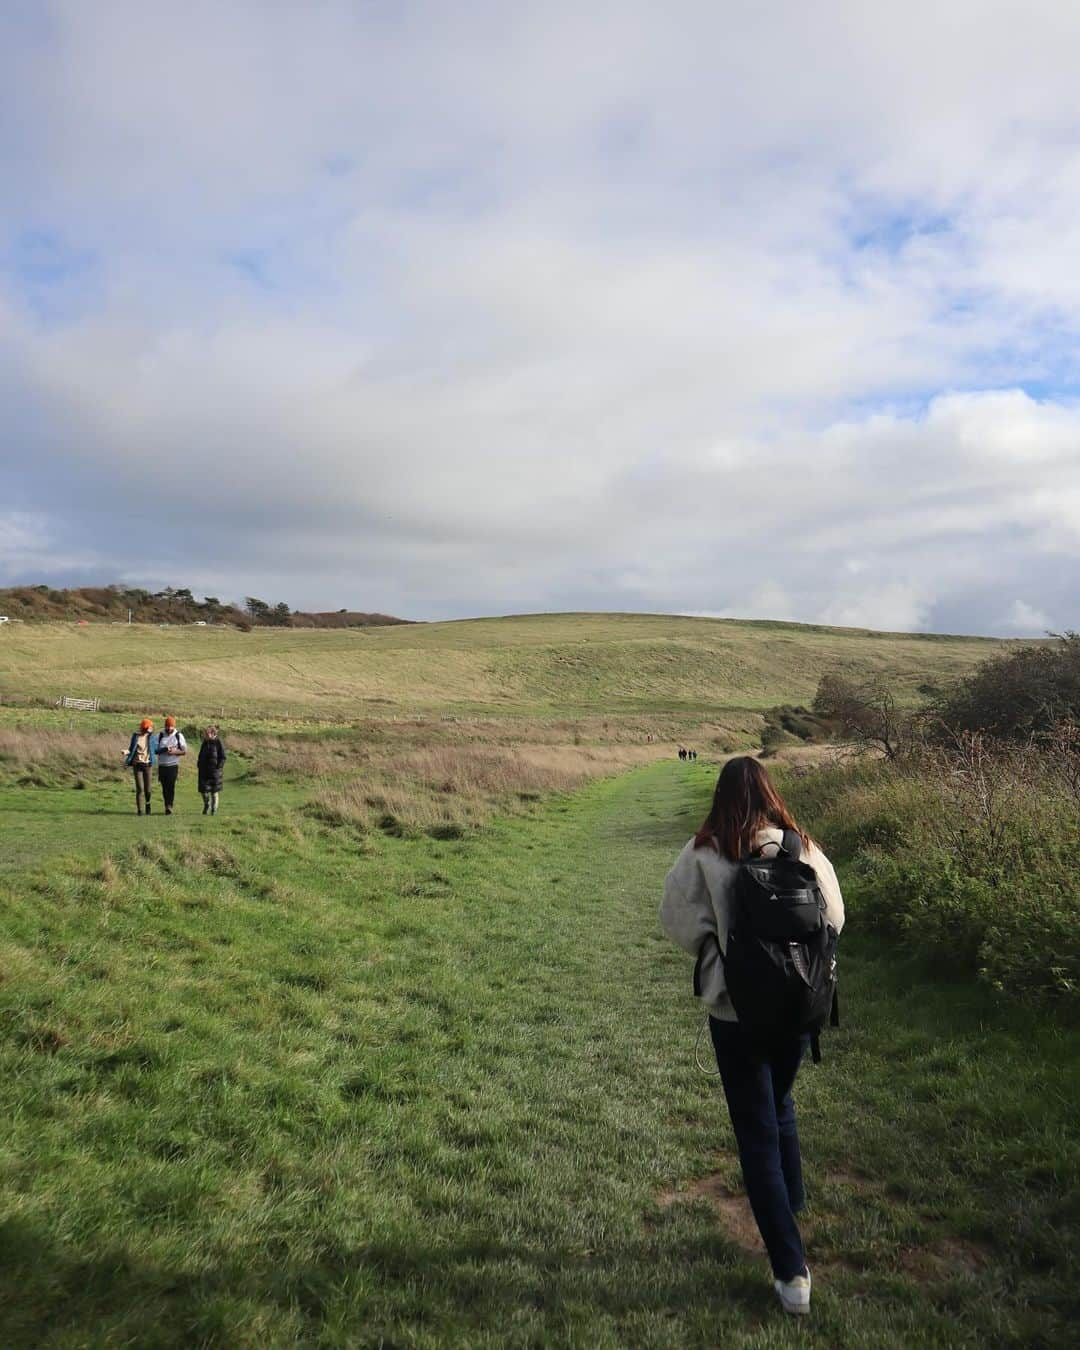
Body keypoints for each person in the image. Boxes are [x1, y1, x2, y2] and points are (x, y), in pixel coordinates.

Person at [659, 756, 844, 1317]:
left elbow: (674, 918)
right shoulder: (800, 846)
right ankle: (793, 1200)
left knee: (756, 1132)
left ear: (720, 795)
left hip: (736, 1013)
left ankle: (791, 1273)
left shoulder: (705, 850)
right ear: (769, 792)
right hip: (798, 1009)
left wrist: (719, 952)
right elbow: (833, 916)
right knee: (780, 1099)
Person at [124, 718, 158, 815]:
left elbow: (156, 749)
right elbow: (131, 749)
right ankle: (140, 810)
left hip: (148, 765)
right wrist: (126, 752)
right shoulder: (136, 736)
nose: (148, 730)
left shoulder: (152, 737)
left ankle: (148, 803)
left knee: (148, 789)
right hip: (137, 765)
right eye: (146, 728)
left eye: (149, 728)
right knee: (140, 788)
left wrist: (167, 749)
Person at [155, 715, 187, 815]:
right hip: (162, 766)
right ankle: (166, 805)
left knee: (171, 786)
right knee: (164, 787)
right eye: (167, 726)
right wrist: (165, 749)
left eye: (171, 727)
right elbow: (155, 750)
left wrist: (174, 752)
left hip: (173, 765)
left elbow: (184, 751)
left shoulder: (179, 735)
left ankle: (169, 806)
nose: (169, 729)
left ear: (174, 726)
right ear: (165, 726)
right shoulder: (159, 735)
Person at [197, 725, 227, 815]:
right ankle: (207, 805)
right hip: (204, 771)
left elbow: (223, 757)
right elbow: (200, 755)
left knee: (214, 792)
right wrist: (199, 764)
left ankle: (214, 810)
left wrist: (218, 767)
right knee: (204, 792)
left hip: (215, 772)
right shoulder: (205, 743)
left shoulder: (218, 742)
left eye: (207, 733)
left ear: (213, 733)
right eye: (205, 734)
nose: (205, 735)